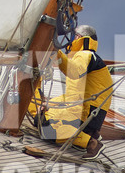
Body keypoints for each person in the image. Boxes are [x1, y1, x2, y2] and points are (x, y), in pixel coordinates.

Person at [42, 24, 112, 157]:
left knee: (47, 128)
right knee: (44, 114)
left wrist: (56, 52)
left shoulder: (85, 55)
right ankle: (87, 135)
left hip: (88, 112)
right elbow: (73, 94)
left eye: (75, 36)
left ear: (81, 39)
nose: (72, 40)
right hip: (93, 113)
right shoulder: (89, 57)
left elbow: (74, 71)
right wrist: (49, 104)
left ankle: (91, 143)